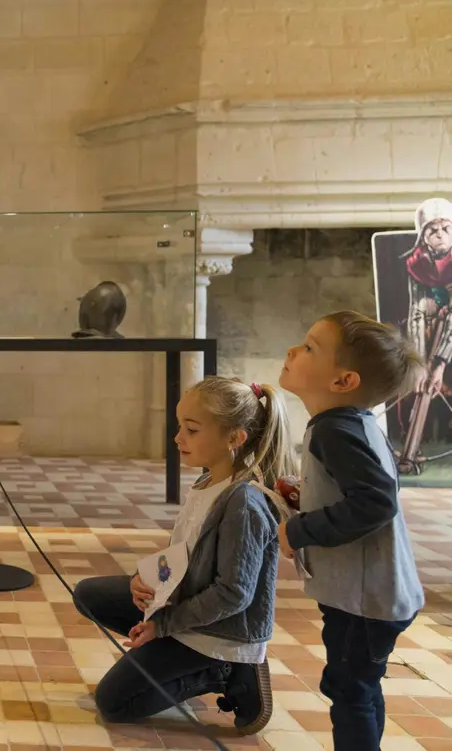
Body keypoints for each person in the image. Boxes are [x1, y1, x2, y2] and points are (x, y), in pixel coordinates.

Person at [73, 376, 294, 735]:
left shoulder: (244, 503)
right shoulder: (207, 482)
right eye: (180, 427)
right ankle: (171, 654)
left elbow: (233, 594)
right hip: (188, 610)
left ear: (234, 438)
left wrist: (162, 625)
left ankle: (223, 672)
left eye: (191, 430)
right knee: (88, 594)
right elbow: (184, 555)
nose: (178, 438)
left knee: (113, 703)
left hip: (219, 632)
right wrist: (144, 580)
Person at [278, 311, 426, 751]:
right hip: (372, 594)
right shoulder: (350, 423)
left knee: (350, 691)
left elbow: (375, 502)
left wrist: (300, 529)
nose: (293, 351)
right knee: (358, 685)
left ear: (343, 381)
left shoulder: (335, 431)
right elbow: (360, 490)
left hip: (365, 600)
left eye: (309, 347)